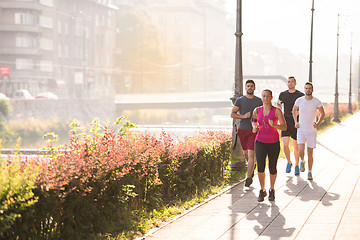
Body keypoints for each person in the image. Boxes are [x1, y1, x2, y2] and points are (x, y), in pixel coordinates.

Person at [252, 89, 287, 202]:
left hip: (273, 143)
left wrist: (275, 125)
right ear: (261, 97)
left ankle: (272, 189)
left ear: (271, 98)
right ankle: (262, 190)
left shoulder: (277, 111)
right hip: (260, 142)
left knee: (272, 167)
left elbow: (284, 127)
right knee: (260, 167)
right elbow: (253, 120)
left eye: (267, 96)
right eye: (263, 96)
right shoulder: (257, 110)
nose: (265, 99)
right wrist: (254, 127)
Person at [231, 79, 262, 187]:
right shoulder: (240, 100)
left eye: (252, 86)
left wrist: (258, 124)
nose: (250, 88)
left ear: (254, 88)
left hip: (254, 130)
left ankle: (248, 177)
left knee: (251, 153)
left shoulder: (259, 101)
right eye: (248, 86)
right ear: (245, 88)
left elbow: (264, 113)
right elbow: (233, 114)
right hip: (242, 129)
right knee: (246, 154)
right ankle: (251, 167)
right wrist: (243, 116)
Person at [292, 82, 325, 180]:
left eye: (309, 88)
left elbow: (323, 114)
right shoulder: (299, 100)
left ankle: (310, 172)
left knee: (310, 153)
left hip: (311, 131)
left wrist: (318, 124)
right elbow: (294, 110)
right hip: (301, 130)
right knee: (300, 150)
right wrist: (295, 122)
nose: (308, 90)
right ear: (304, 89)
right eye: (306, 88)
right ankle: (302, 160)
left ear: (312, 90)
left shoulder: (316, 102)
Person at [277, 76, 304, 175]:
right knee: (285, 144)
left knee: (296, 146)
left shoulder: (300, 95)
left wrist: (297, 114)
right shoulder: (282, 94)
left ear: (295, 83)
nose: (290, 83)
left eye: (292, 82)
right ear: (287, 83)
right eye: (289, 82)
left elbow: (303, 107)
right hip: (285, 121)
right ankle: (289, 162)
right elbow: (278, 106)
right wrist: (278, 106)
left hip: (296, 122)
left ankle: (296, 165)